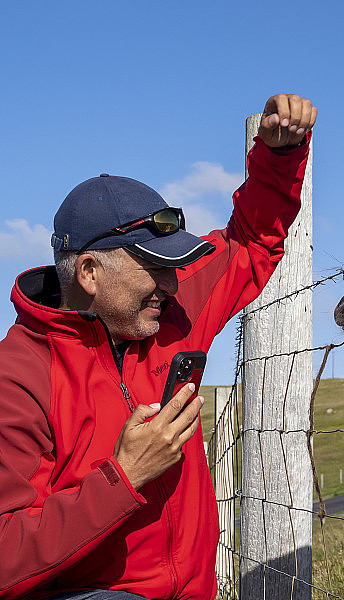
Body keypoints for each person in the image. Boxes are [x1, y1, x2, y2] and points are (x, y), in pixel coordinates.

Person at [0, 94, 317, 600]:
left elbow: (250, 241)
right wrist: (123, 478)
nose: (172, 284)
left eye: (176, 265)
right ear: (89, 272)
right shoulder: (19, 378)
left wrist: (279, 155)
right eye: (155, 265)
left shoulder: (167, 313)